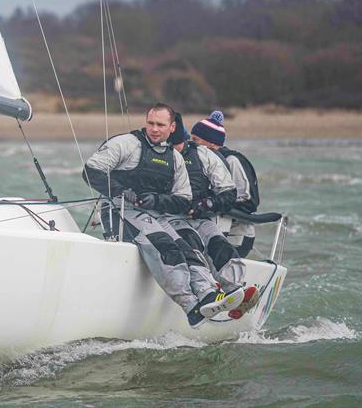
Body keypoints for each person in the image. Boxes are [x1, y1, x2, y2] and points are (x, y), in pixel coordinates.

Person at [82, 103, 244, 328]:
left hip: (155, 214)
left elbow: (183, 199)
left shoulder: (174, 158)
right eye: (150, 123)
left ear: (172, 127)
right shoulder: (126, 144)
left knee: (188, 249)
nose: (154, 129)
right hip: (120, 211)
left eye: (160, 125)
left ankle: (207, 294)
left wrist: (156, 201)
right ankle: (190, 306)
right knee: (166, 247)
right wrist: (119, 190)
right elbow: (90, 171)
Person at [166, 113, 259, 319]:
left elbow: (246, 200)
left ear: (210, 142)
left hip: (235, 230)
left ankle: (229, 290)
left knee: (212, 241)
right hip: (201, 221)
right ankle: (224, 293)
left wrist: (209, 204)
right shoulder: (189, 157)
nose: (191, 143)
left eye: (196, 140)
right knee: (199, 240)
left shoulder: (229, 160)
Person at [190, 111, 260, 258]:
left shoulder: (232, 161)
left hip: (237, 235)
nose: (190, 143)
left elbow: (248, 203)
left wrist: (212, 203)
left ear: (213, 143)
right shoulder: (200, 160)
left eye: (195, 140)